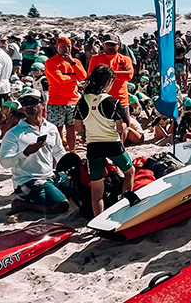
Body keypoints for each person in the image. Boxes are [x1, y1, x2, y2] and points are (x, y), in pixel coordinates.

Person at [74, 65, 137, 217]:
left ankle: (98, 222)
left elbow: (78, 128)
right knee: (129, 172)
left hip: (93, 146)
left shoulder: (82, 101)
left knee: (96, 189)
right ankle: (126, 207)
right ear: (107, 82)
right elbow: (120, 128)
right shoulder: (112, 101)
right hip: (112, 144)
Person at [0, 89, 69, 214]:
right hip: (27, 181)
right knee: (61, 206)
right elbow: (4, 162)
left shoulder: (51, 128)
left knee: (81, 188)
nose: (29, 106)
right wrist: (25, 152)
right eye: (25, 103)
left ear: (43, 104)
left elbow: (59, 152)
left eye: (33, 102)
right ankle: (21, 204)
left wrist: (70, 166)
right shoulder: (14, 133)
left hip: (50, 176)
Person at [45, 36, 88, 151]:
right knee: (57, 129)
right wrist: (74, 77)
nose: (66, 49)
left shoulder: (76, 62)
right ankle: (58, 152)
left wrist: (72, 62)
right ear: (56, 47)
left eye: (68, 46)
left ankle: (72, 150)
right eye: (62, 46)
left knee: (71, 129)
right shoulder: (51, 62)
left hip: (72, 100)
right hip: (56, 101)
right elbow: (60, 79)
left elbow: (83, 76)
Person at [88, 36, 134, 102]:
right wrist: (118, 74)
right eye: (107, 44)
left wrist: (106, 74)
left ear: (118, 45)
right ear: (103, 46)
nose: (110, 47)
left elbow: (129, 76)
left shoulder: (125, 59)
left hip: (121, 99)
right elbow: (91, 75)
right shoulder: (96, 59)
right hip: (100, 99)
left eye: (112, 45)